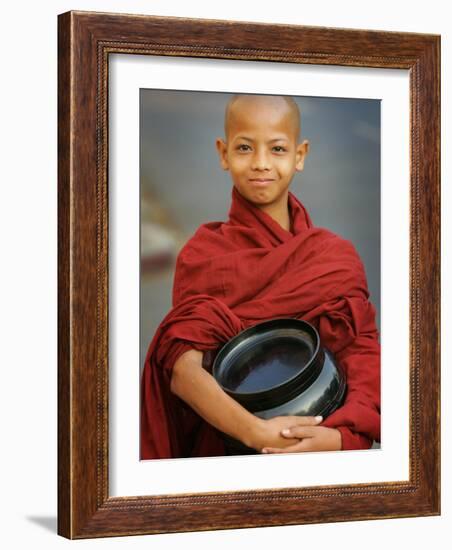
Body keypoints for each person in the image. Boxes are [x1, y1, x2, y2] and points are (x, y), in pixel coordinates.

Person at [140, 94, 380, 459]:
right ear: (223, 154)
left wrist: (344, 437)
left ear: (300, 156)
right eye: (245, 148)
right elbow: (183, 371)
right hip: (230, 448)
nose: (261, 163)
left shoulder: (333, 257)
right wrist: (256, 433)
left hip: (321, 442)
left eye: (278, 149)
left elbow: (361, 353)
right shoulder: (204, 256)